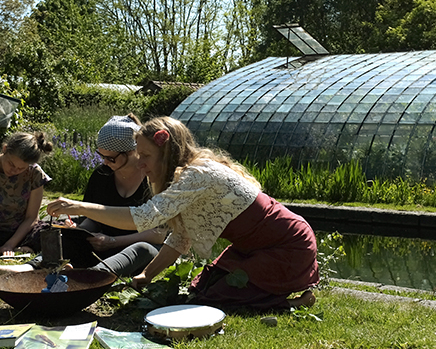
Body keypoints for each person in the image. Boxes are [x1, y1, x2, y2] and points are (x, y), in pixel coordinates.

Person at [47, 116, 319, 311]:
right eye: (137, 155)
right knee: (199, 289)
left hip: (288, 245)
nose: (140, 164)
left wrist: (79, 206)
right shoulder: (186, 178)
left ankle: (291, 302)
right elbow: (180, 237)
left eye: (146, 156)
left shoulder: (198, 174)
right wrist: (147, 276)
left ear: (168, 152)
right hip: (254, 247)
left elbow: (144, 217)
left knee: (217, 299)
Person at [0, 114, 167, 277]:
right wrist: (81, 230)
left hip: (137, 245)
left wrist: (113, 241)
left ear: (133, 152)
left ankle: (94, 276)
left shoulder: (153, 179)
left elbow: (159, 233)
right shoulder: (102, 175)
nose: (105, 162)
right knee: (66, 239)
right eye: (101, 156)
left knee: (141, 249)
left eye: (111, 158)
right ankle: (28, 268)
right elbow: (93, 218)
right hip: (100, 244)